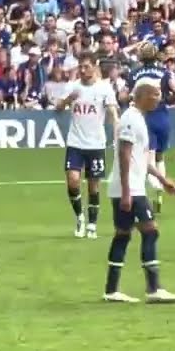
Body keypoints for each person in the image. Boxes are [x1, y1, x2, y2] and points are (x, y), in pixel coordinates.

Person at [103, 82, 175, 304]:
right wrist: (127, 191)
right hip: (129, 189)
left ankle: (111, 289)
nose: (159, 99)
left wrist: (161, 179)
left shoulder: (138, 118)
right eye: (155, 95)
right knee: (150, 231)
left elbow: (138, 157)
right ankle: (153, 288)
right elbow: (124, 154)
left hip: (127, 187)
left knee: (123, 235)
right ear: (143, 96)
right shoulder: (130, 119)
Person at [56, 53, 119, 239]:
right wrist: (68, 100)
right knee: (73, 180)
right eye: (80, 67)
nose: (82, 70)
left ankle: (92, 224)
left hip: (96, 144)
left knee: (93, 187)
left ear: (94, 66)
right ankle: (80, 217)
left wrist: (117, 126)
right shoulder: (73, 87)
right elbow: (58, 107)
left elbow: (113, 111)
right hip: (75, 142)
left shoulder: (104, 89)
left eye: (86, 66)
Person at [129, 45, 175, 216]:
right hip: (162, 116)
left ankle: (157, 188)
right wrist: (170, 99)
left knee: (147, 157)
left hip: (146, 118)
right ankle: (159, 192)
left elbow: (126, 95)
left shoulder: (134, 74)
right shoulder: (165, 72)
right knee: (160, 156)